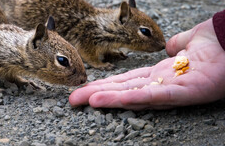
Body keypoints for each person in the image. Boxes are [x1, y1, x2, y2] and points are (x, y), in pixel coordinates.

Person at [69, 10, 225, 109]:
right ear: (123, 19)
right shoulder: (97, 29)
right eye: (144, 32)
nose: (161, 46)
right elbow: (86, 45)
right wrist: (96, 62)